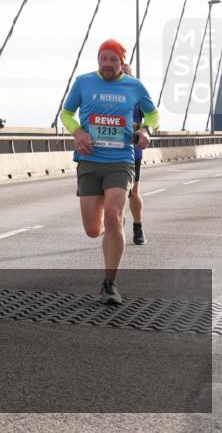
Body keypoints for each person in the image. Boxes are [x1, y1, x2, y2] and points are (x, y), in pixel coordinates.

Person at [60, 39, 158, 305]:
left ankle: (109, 284)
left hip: (120, 160)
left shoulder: (134, 86)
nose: (107, 64)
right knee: (94, 229)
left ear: (121, 62)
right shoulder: (83, 83)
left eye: (113, 59)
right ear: (98, 60)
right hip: (90, 161)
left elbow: (153, 113)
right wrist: (77, 131)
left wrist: (146, 130)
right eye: (103, 58)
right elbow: (66, 113)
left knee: (114, 218)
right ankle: (112, 230)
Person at [121, 63, 146, 245]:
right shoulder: (103, 95)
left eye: (126, 74)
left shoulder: (137, 95)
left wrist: (143, 130)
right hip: (108, 151)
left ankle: (138, 227)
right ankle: (116, 223)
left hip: (132, 151)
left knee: (133, 192)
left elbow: (151, 119)